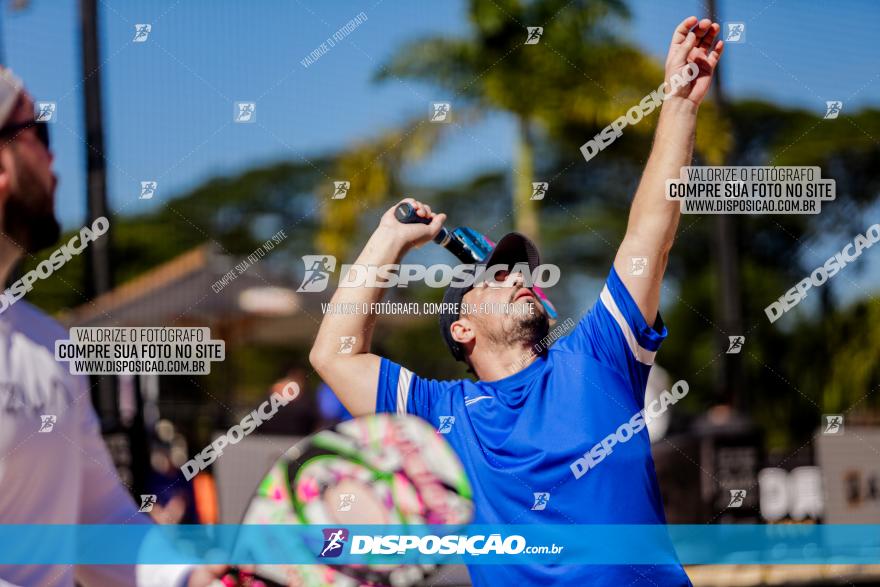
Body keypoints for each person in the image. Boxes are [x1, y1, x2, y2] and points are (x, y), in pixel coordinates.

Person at [309, 16, 723, 587]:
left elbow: (649, 237)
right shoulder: (438, 417)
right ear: (461, 329)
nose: (516, 280)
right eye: (494, 277)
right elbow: (335, 354)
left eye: (518, 274)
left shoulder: (598, 357)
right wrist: (390, 236)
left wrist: (679, 101)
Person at [0, 68, 226, 586]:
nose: (55, 157)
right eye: (39, 131)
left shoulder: (49, 345)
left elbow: (97, 519)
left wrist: (191, 579)